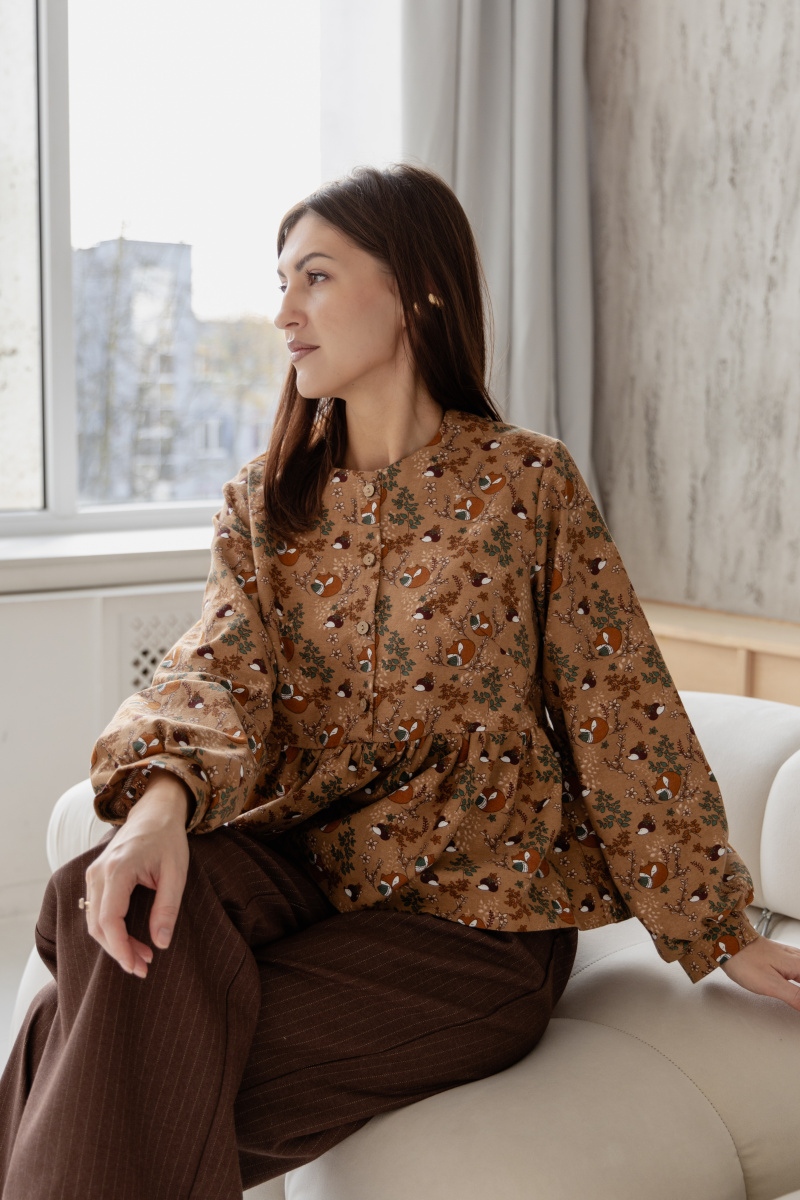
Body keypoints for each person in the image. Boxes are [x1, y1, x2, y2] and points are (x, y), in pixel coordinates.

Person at [2, 162, 799, 1200]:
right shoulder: (265, 503)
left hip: (475, 926)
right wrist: (155, 809)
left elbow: (619, 708)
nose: (283, 315)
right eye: (281, 283)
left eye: (315, 277)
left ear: (416, 288)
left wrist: (717, 927)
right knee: (103, 888)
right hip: (301, 881)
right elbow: (214, 665)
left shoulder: (526, 485)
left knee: (100, 1056)